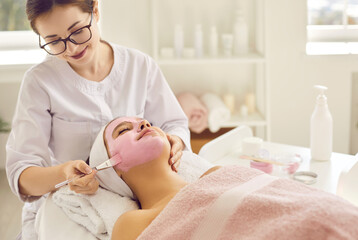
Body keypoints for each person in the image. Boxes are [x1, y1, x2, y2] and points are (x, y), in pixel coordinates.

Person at [5, 1, 190, 239]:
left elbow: (174, 125)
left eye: (78, 31)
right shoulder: (40, 82)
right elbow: (22, 176)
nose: (70, 48)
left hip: (139, 191)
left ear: (95, 11)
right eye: (53, 41)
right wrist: (64, 174)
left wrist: (175, 141)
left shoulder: (139, 65)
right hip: (71, 201)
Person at [91, 117, 358, 240]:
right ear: (114, 169)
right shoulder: (133, 222)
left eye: (146, 122)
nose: (144, 125)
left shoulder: (219, 174)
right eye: (124, 130)